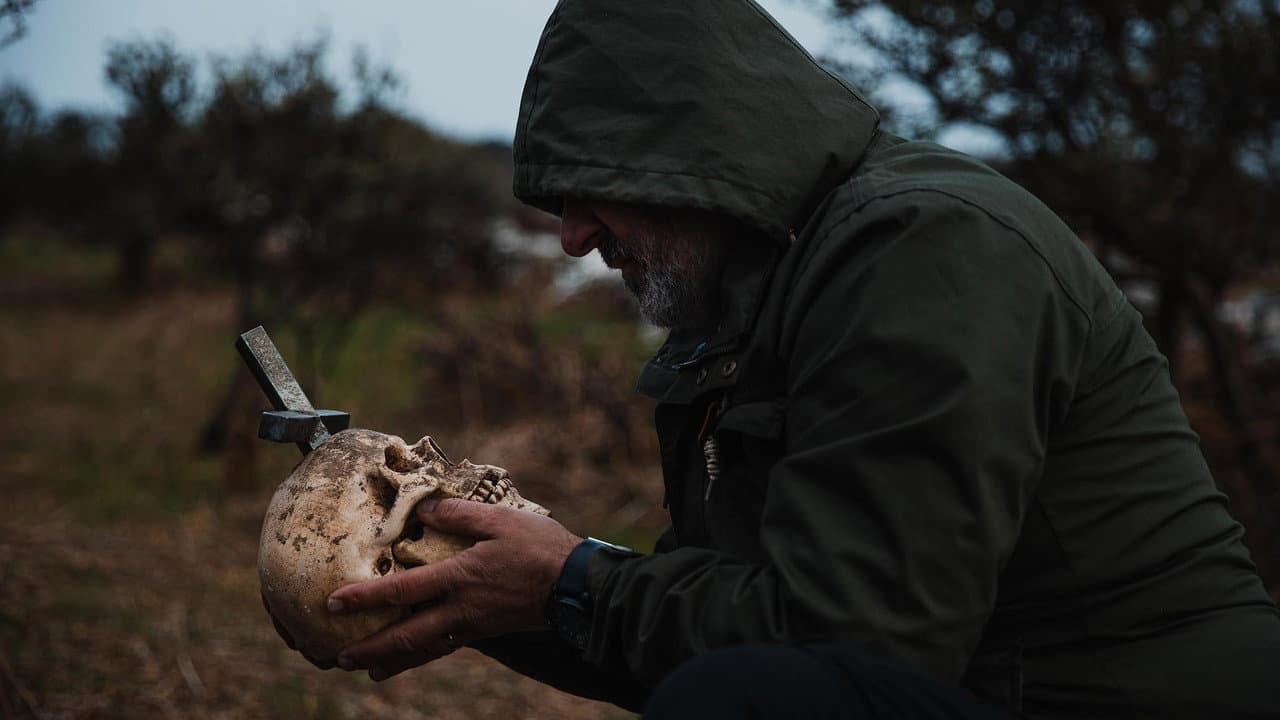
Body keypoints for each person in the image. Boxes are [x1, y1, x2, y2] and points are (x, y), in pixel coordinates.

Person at [281, 2, 1280, 717]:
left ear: (691, 151)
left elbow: (853, 645)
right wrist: (462, 586)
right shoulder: (749, 303)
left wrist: (571, 581)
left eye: (590, 185)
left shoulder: (922, 250)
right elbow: (714, 623)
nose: (572, 237)